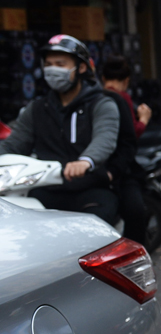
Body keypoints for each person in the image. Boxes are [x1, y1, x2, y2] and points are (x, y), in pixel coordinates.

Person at [0, 34, 120, 222]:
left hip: (90, 188)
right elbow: (13, 146)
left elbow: (105, 138)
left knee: (99, 225)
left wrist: (86, 161)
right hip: (46, 190)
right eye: (48, 64)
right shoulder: (37, 109)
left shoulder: (101, 104)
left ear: (80, 67)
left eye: (60, 63)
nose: (52, 69)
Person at [98, 57, 147, 244]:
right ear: (127, 80)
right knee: (135, 212)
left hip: (101, 167)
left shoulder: (97, 97)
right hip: (116, 169)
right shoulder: (120, 98)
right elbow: (131, 134)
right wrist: (144, 119)